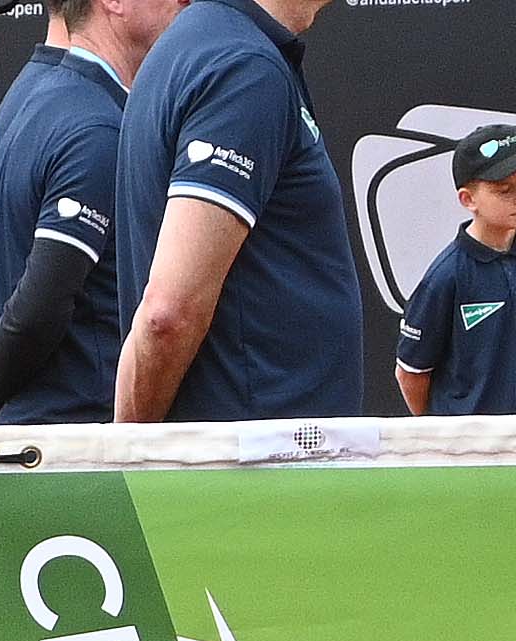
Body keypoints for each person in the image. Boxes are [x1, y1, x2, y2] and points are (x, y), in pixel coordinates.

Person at [114, 0, 355, 426]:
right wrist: (132, 446)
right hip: (255, 463)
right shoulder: (244, 68)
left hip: (253, 454)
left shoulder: (211, 43)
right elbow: (167, 313)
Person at [0, 0, 181, 433]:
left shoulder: (31, 95)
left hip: (42, 431)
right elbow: (40, 302)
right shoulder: (96, 127)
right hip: (74, 440)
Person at [395, 123, 516, 420]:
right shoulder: (446, 275)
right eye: (504, 190)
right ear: (468, 199)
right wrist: (449, 434)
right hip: (474, 452)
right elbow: (410, 374)